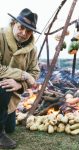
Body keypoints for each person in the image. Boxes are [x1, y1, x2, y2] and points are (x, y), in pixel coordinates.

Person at [0, 8, 41, 149]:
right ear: (14, 23)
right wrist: (22, 75)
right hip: (2, 88)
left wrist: (20, 85)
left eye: (28, 31)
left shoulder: (32, 49)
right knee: (4, 85)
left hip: (11, 93)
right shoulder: (0, 36)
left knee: (10, 128)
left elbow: (34, 73)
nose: (24, 33)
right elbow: (28, 75)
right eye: (21, 27)